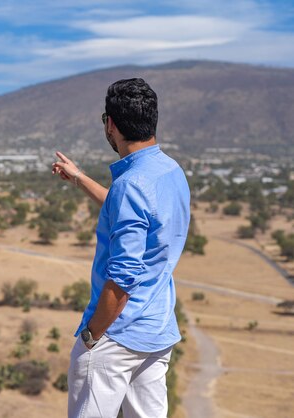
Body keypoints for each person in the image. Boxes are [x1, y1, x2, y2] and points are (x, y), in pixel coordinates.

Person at [51, 78, 190, 418]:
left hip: (115, 337)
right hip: (156, 333)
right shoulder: (170, 172)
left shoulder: (131, 184)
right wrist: (79, 177)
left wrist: (90, 335)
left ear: (110, 124)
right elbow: (127, 209)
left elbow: (123, 278)